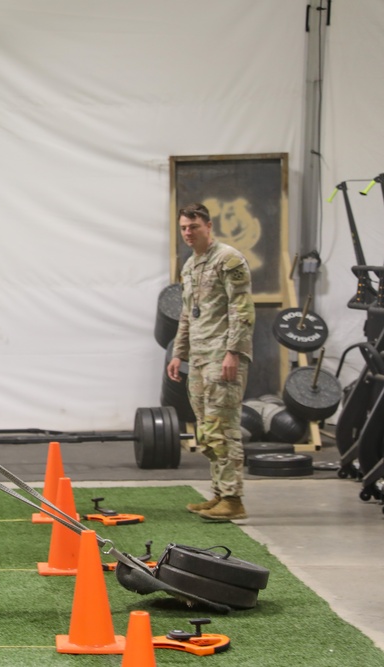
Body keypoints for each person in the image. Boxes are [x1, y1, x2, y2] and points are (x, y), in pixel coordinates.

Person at [166, 203, 255, 522]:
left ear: (209, 226)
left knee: (224, 426)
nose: (188, 233)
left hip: (223, 356)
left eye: (194, 227)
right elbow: (188, 314)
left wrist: (234, 351)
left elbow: (242, 308)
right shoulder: (190, 266)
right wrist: (179, 353)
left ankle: (233, 498)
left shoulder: (228, 259)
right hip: (200, 358)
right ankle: (219, 493)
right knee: (206, 428)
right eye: (183, 228)